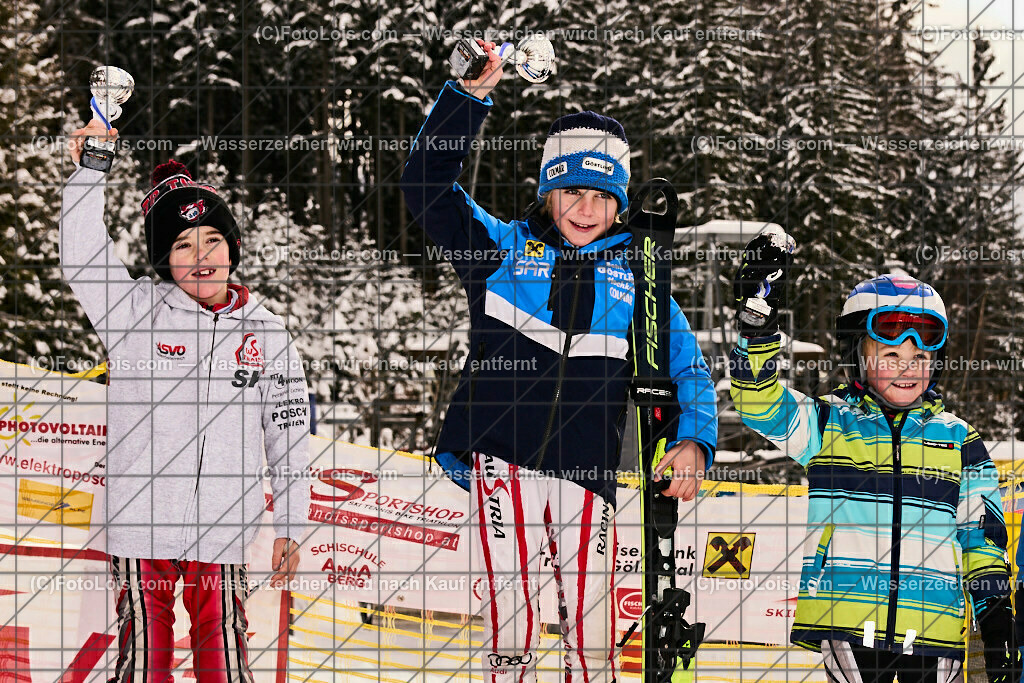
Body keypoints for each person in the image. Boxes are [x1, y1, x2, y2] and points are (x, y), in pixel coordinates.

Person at [400, 40, 718, 683]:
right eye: (571, 190)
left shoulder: (638, 281)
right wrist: (468, 99)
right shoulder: (501, 250)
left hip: (587, 471)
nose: (585, 208)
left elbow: (687, 366)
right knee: (510, 621)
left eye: (602, 197)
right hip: (503, 459)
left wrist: (693, 440)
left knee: (592, 634)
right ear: (547, 190)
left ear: (620, 204)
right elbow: (425, 187)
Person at [61, 120, 311, 683]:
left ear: (234, 248)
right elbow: (80, 257)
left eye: (212, 240)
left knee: (223, 661)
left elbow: (289, 436)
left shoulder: (269, 335)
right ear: (165, 261)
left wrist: (291, 525)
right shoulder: (132, 313)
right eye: (181, 244)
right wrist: (89, 171)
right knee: (145, 662)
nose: (200, 255)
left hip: (223, 531)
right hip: (140, 529)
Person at [729, 230, 1018, 683]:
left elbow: (980, 538)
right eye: (889, 354)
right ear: (857, 358)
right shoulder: (829, 425)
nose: (907, 368)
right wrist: (757, 333)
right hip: (846, 624)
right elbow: (757, 402)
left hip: (935, 632)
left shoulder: (960, 439)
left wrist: (996, 616)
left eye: (919, 357)